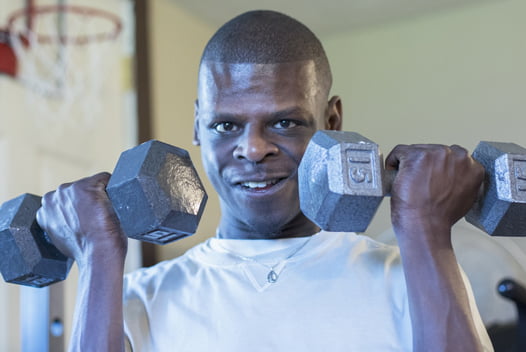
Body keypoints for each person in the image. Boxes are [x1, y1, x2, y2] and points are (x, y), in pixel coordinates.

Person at [36, 10, 494, 352]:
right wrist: (97, 256)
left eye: (285, 123)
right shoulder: (136, 299)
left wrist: (425, 229)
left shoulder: (411, 277)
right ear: (197, 125)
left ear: (331, 121)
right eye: (225, 126)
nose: (253, 149)